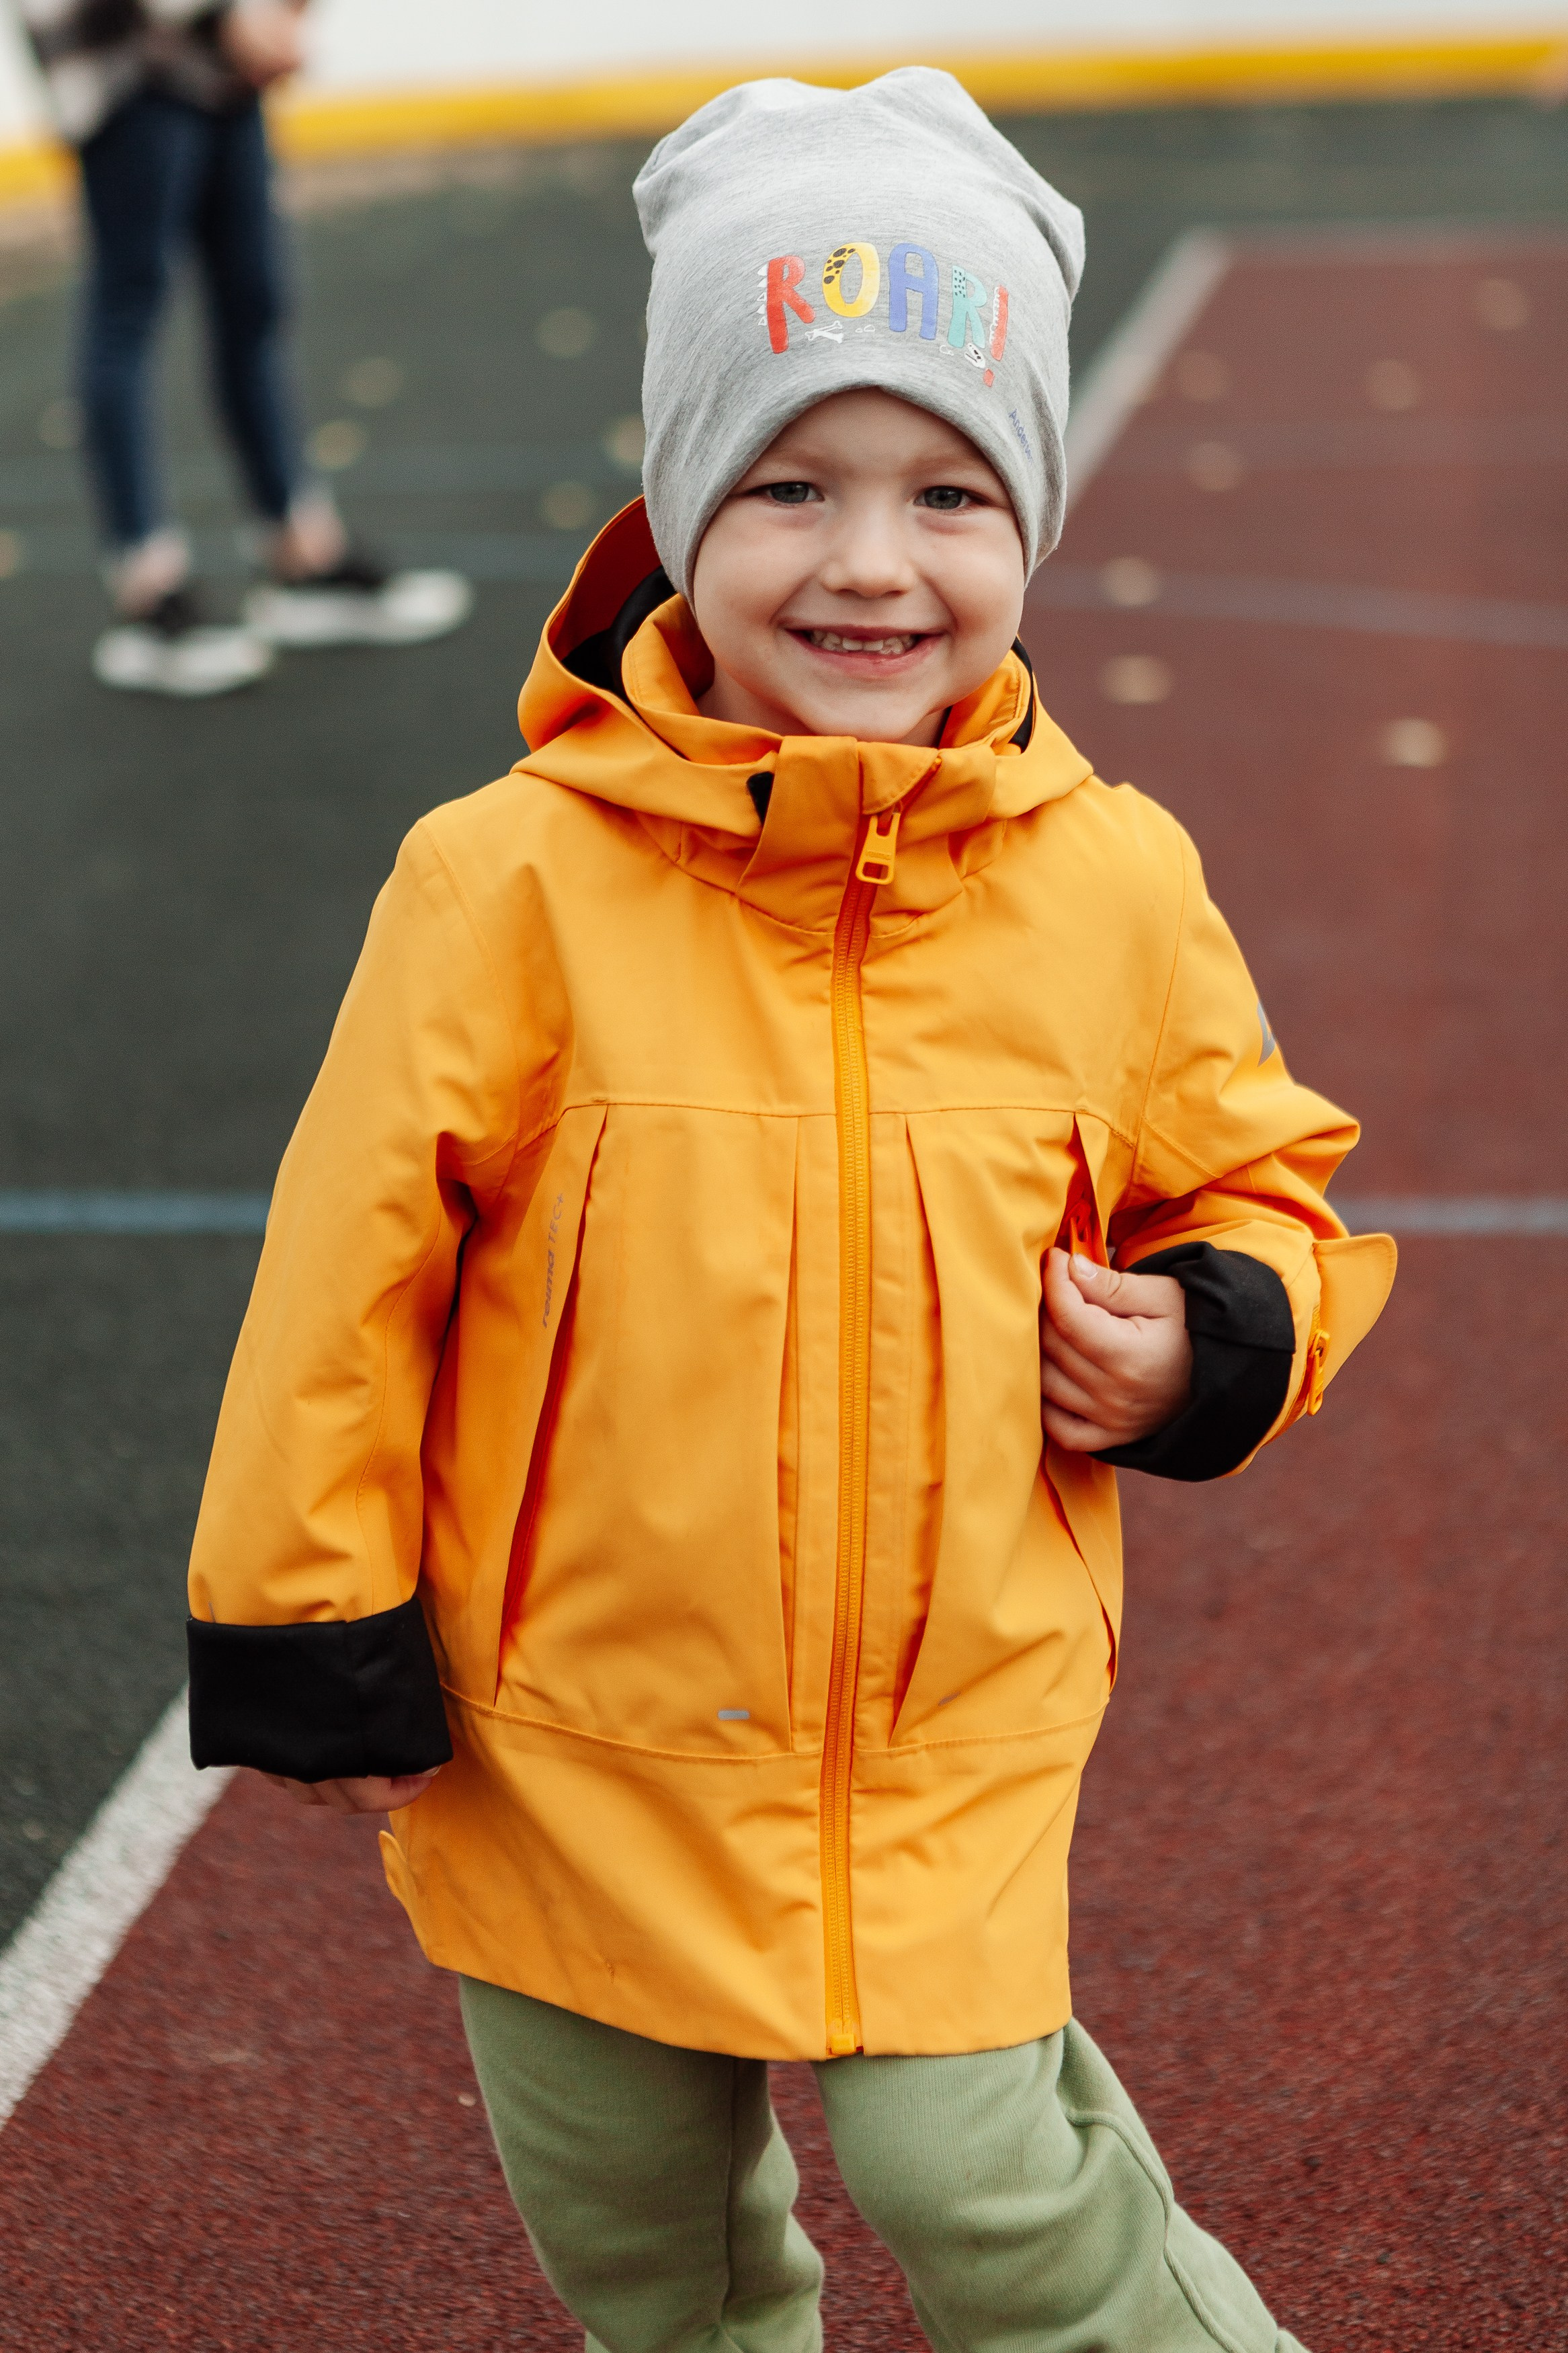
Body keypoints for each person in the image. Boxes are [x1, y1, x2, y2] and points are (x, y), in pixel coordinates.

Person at [184, 69, 1396, 2353]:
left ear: (1028, 512)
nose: (868, 561)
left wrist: (1212, 1330)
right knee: (655, 2265)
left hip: (948, 1728)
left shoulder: (1105, 879)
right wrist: (302, 1618)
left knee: (994, 2197)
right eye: (787, 484)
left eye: (950, 489)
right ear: (674, 503)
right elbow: (348, 1270)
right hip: (574, 1737)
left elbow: (1260, 1172)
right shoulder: (505, 881)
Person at [17, 0, 470, 695]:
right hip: (126, 59)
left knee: (252, 298)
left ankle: (300, 559)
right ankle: (149, 593)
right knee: (128, 310)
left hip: (217, 66)